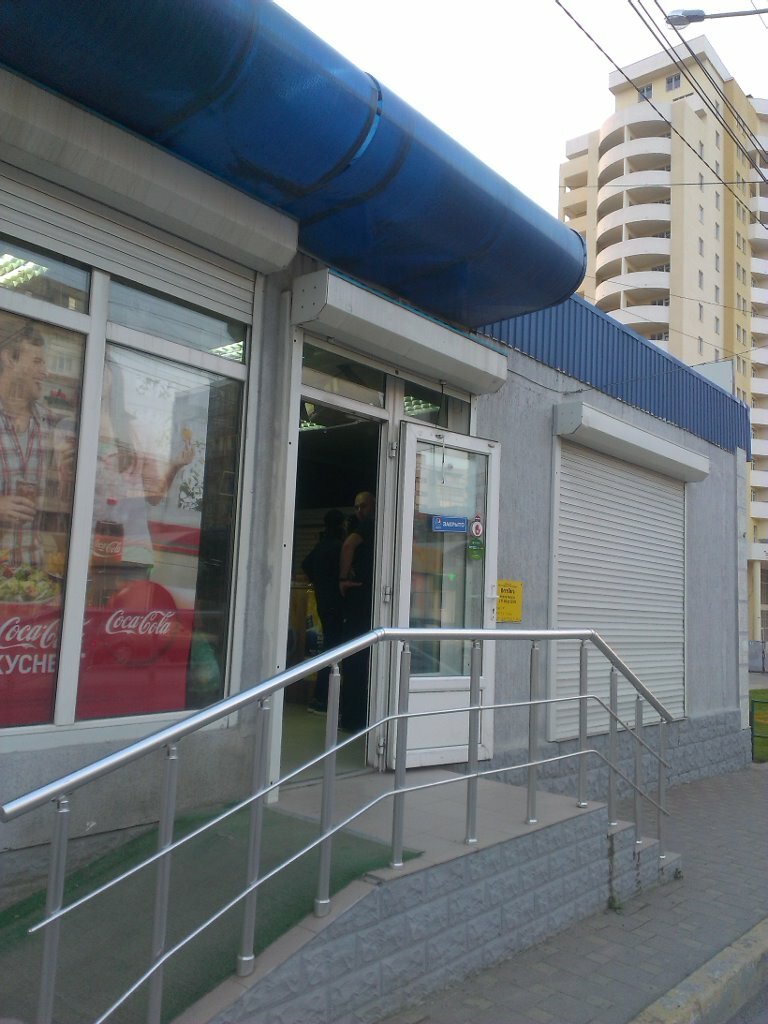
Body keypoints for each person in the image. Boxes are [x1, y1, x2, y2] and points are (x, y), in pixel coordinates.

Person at [0, 321, 57, 568]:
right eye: (37, 362)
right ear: (9, 359)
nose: (45, 372)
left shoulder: (48, 423)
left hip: (31, 573)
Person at [301, 508, 346, 714]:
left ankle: (321, 698)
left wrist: (318, 581)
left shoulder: (321, 545)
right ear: (341, 524)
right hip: (337, 604)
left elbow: (306, 564)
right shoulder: (339, 547)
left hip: (323, 602)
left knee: (329, 649)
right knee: (334, 652)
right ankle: (323, 698)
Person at [338, 490, 375, 731]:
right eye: (356, 507)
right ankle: (354, 718)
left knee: (356, 657)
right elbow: (349, 546)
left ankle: (353, 718)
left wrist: (343, 578)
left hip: (361, 598)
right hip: (364, 597)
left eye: (363, 506)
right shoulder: (370, 527)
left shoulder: (368, 526)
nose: (359, 511)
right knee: (358, 657)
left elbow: (349, 545)